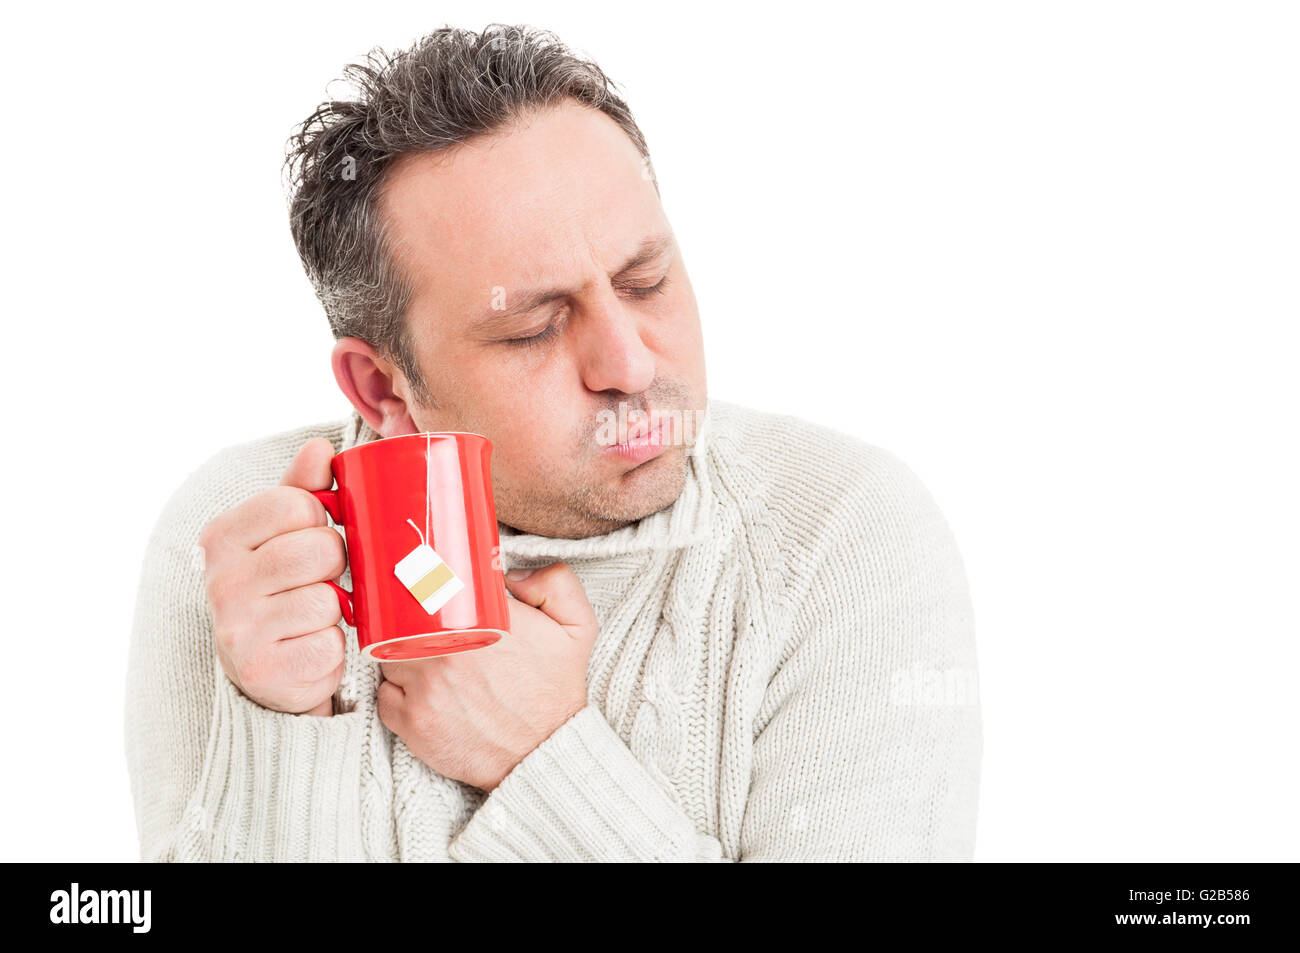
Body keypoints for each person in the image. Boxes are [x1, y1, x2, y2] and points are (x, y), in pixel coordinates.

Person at [124, 23, 983, 862]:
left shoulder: (844, 536)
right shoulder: (250, 544)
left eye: (644, 280)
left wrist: (543, 757)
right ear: (383, 387)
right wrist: (283, 733)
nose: (630, 361)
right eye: (534, 328)